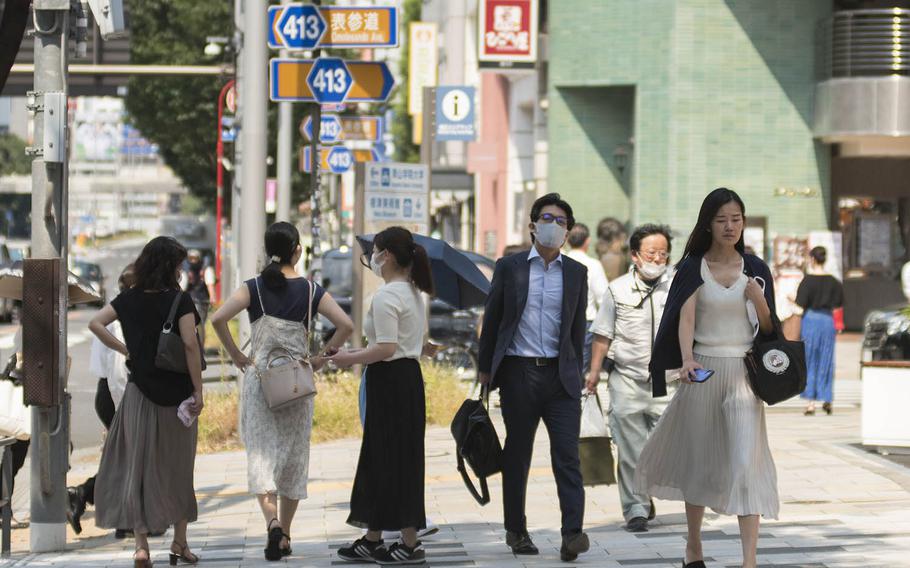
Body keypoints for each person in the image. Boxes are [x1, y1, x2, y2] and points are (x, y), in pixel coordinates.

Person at [636, 188, 779, 568]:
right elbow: (684, 319)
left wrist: (759, 300)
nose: (730, 226)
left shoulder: (756, 269)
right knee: (699, 461)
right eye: (721, 220)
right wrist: (685, 360)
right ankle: (694, 547)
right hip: (702, 370)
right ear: (708, 225)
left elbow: (769, 328)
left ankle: (750, 561)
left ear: (744, 222)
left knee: (747, 463)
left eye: (736, 218)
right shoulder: (692, 267)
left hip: (744, 375)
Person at [211, 221, 353, 562]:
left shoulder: (253, 288)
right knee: (292, 457)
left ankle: (271, 522)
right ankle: (286, 533)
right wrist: (320, 359)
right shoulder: (310, 290)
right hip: (296, 384)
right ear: (298, 250)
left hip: (261, 384)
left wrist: (236, 355)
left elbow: (218, 319)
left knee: (261, 456)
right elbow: (345, 325)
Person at [477, 193, 590, 562]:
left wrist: (578, 371)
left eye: (561, 221)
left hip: (561, 378)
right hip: (518, 373)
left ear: (568, 231)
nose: (554, 225)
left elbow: (576, 328)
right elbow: (493, 321)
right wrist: (484, 370)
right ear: (532, 225)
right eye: (547, 218)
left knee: (567, 457)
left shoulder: (577, 273)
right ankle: (516, 530)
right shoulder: (509, 267)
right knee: (518, 455)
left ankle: (572, 533)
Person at [89, 236, 204, 568]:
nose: (182, 270)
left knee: (138, 469)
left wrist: (126, 350)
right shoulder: (179, 301)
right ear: (169, 266)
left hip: (139, 395)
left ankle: (141, 547)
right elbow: (191, 346)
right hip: (178, 397)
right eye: (179, 264)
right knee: (179, 469)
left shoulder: (128, 298)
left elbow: (95, 323)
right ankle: (179, 543)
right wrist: (199, 389)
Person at [332, 226, 435, 566]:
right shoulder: (412, 292)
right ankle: (374, 538)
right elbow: (407, 344)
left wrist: (348, 358)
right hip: (406, 380)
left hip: (390, 380)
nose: (372, 258)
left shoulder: (388, 296)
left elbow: (385, 348)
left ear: (387, 255)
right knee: (391, 458)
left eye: (375, 251)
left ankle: (408, 543)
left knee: (388, 458)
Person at [585, 224, 675, 533]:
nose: (658, 258)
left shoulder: (678, 287)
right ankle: (635, 507)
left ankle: (646, 488)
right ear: (635, 256)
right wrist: (594, 371)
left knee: (665, 445)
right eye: (652, 252)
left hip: (669, 380)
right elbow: (602, 333)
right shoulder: (618, 289)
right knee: (629, 448)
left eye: (663, 253)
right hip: (626, 377)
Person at [67, 265, 135, 537]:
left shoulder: (119, 313)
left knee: (123, 459)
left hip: (109, 391)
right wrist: (123, 413)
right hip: (115, 392)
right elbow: (118, 369)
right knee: (127, 459)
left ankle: (119, 517)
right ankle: (83, 495)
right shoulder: (121, 317)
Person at [796, 246, 844, 416]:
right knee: (827, 359)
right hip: (827, 321)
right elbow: (839, 304)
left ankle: (810, 403)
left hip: (810, 320)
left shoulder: (807, 280)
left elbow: (800, 303)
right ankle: (827, 399)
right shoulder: (834, 281)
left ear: (813, 259)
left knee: (809, 359)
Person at [565, 223, 610, 374]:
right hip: (586, 322)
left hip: (561, 321)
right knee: (580, 367)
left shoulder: (560, 261)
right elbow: (603, 298)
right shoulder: (594, 264)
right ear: (588, 241)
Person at [180, 249, 216, 346]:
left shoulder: (205, 270)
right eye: (191, 258)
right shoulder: (185, 271)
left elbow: (210, 284)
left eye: (195, 258)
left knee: (199, 325)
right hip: (188, 301)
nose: (193, 260)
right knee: (189, 326)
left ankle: (199, 347)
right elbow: (182, 287)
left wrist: (212, 297)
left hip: (201, 301)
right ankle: (191, 346)